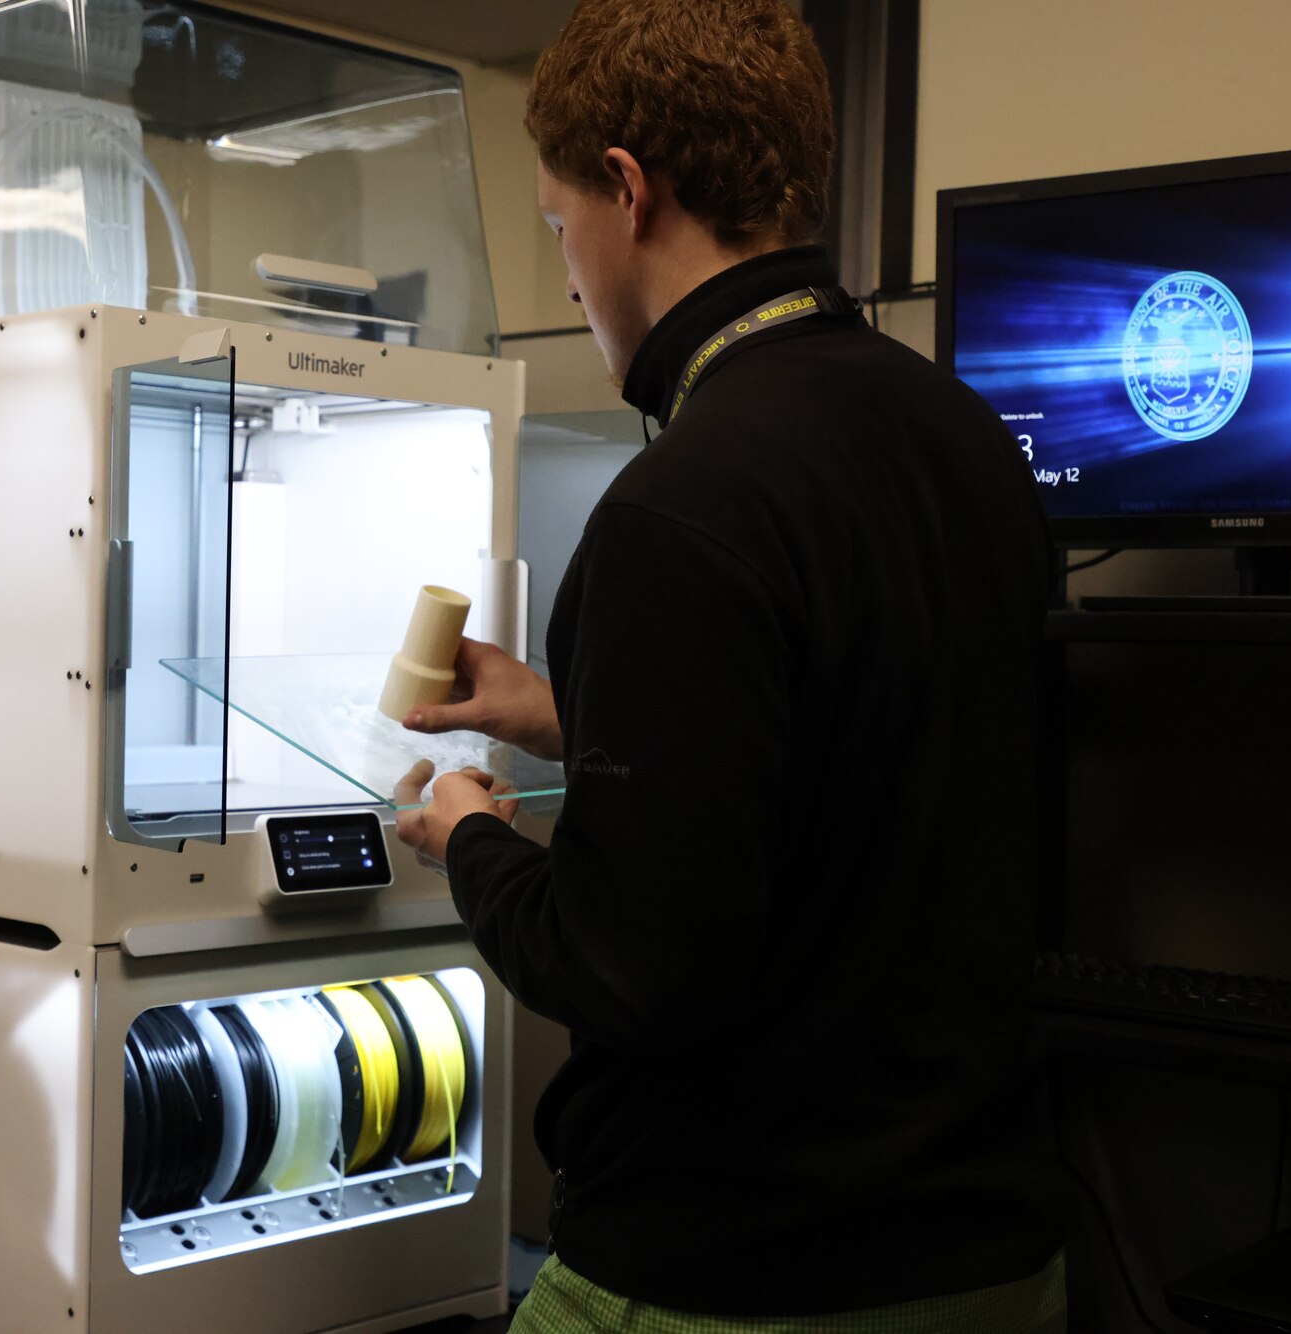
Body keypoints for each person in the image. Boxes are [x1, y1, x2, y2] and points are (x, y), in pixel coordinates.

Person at [391, 0, 1066, 1329]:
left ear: (628, 193)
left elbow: (630, 965)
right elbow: (871, 749)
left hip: (735, 1268)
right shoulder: (970, 441)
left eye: (556, 223)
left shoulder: (677, 506)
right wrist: (571, 709)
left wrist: (469, 834)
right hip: (995, 1259)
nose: (569, 266)